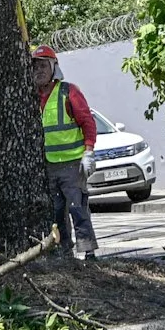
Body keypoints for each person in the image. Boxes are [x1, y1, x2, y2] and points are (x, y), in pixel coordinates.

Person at [31, 44, 98, 260]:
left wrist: (88, 152)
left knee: (78, 210)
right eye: (35, 67)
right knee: (57, 213)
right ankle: (65, 253)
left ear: (54, 68)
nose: (39, 71)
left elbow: (87, 122)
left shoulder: (68, 91)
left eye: (44, 66)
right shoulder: (31, 97)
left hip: (72, 164)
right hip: (49, 165)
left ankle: (88, 252)